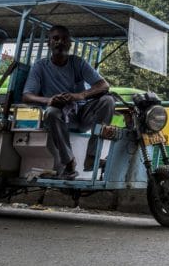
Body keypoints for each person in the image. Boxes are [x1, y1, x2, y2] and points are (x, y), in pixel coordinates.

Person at [22, 25, 115, 180]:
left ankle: (92, 156)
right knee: (51, 112)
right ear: (49, 43)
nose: (60, 42)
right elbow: (27, 95)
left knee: (108, 100)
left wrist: (80, 95)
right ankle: (69, 163)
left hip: (82, 114)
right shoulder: (40, 66)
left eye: (64, 39)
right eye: (55, 38)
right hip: (59, 117)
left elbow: (103, 85)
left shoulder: (77, 63)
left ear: (70, 44)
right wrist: (49, 100)